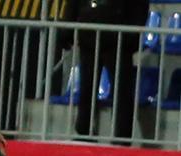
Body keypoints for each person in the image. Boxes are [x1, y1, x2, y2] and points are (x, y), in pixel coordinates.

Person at [62, 0, 150, 140]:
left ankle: (122, 137)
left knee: (122, 91)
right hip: (90, 39)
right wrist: (66, 30)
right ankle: (84, 132)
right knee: (87, 88)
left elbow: (140, 7)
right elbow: (73, 4)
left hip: (119, 41)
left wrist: (131, 36)